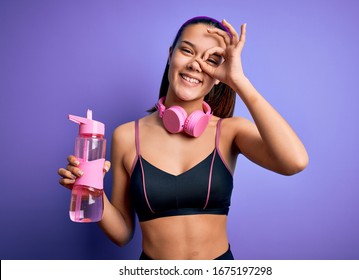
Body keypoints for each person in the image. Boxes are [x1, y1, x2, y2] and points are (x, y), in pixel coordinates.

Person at [58, 16, 309, 260]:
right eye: (187, 51)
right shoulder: (125, 136)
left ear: (220, 75)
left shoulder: (231, 131)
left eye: (212, 60)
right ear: (170, 54)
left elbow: (294, 161)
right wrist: (93, 192)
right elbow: (123, 233)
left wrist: (239, 81)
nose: (196, 65)